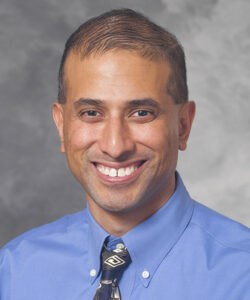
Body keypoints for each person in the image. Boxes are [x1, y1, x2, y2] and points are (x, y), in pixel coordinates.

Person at [0, 8, 249, 299]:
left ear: (183, 125)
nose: (115, 146)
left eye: (141, 113)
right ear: (62, 125)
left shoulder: (242, 274)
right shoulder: (14, 271)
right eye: (91, 113)